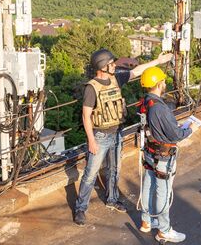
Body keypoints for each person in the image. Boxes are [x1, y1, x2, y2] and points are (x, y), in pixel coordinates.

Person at [74, 49, 173, 225]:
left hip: (117, 132)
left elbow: (137, 71)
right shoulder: (92, 88)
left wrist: (157, 61)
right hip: (100, 135)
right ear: (102, 67)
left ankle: (112, 199)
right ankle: (81, 208)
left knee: (115, 170)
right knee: (91, 174)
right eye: (112, 63)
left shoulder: (116, 79)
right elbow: (86, 116)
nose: (115, 65)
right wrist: (91, 140)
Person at [138, 66, 199, 243]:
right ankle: (164, 230)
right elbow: (176, 135)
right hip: (162, 157)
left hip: (150, 153)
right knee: (162, 193)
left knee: (148, 186)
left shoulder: (145, 102)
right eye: (163, 81)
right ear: (159, 83)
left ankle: (146, 221)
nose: (165, 83)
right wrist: (190, 129)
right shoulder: (160, 108)